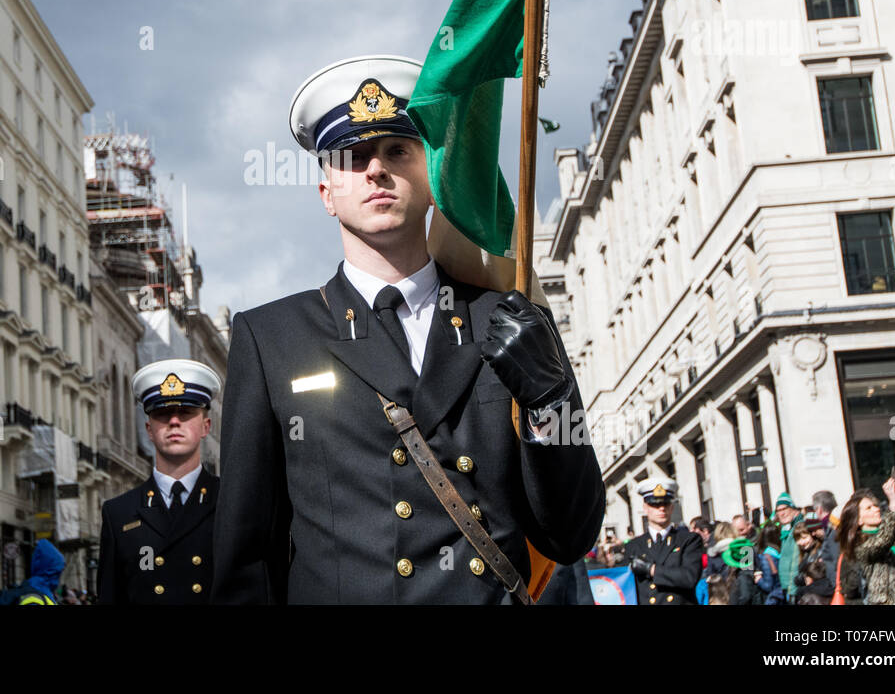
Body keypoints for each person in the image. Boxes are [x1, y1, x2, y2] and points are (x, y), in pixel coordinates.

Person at [211, 56, 605, 604]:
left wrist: (551, 400)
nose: (376, 170)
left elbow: (570, 534)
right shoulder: (271, 338)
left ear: (431, 177)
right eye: (353, 157)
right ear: (326, 194)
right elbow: (246, 557)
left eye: (398, 151)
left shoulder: (508, 318)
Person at [98, 360, 220, 604]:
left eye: (185, 413)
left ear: (206, 426)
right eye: (162, 414)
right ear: (149, 430)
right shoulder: (119, 514)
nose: (174, 422)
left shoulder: (231, 501)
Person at [621, 477, 703, 605]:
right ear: (645, 508)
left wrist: (651, 569)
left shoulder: (688, 539)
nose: (661, 509)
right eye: (655, 504)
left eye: (665, 504)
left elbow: (689, 577)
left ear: (671, 507)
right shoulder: (634, 545)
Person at [0, 539, 65, 605]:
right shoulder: (34, 596)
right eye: (57, 573)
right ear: (50, 571)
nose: (59, 577)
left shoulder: (43, 591)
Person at [773, 492, 806, 602]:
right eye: (778, 510)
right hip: (787, 588)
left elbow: (796, 560)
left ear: (792, 508)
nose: (781, 513)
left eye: (784, 509)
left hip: (794, 589)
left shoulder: (798, 528)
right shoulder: (786, 530)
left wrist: (792, 590)